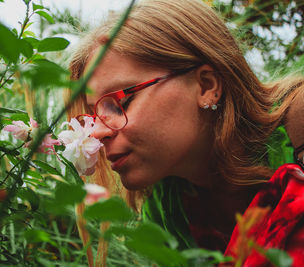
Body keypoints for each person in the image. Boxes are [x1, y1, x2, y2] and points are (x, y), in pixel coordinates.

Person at [67, 0, 304, 265]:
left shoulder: (300, 126)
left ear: (205, 86)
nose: (97, 133)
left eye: (121, 102)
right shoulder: (166, 211)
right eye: (93, 115)